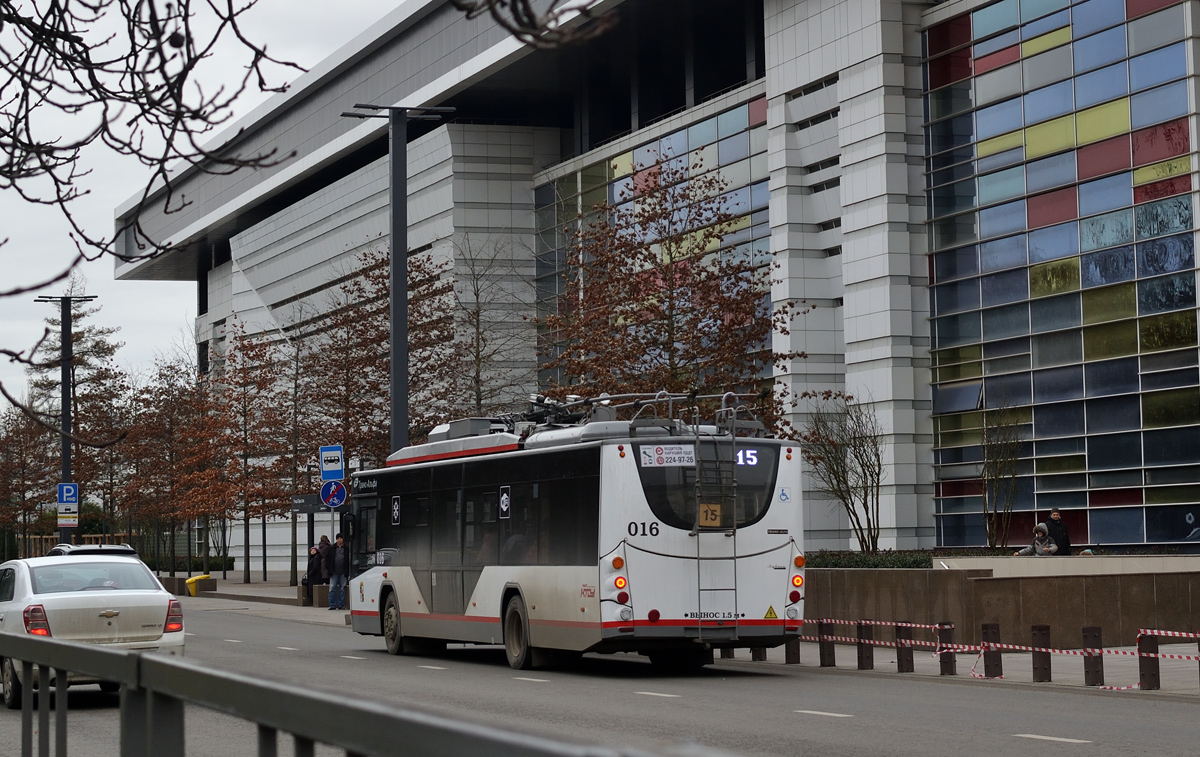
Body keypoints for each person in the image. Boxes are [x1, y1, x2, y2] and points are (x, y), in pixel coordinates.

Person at [324, 532, 350, 610]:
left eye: (341, 538)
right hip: (334, 572)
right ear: (336, 539)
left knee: (342, 588)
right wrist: (329, 568)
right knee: (332, 588)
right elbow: (327, 559)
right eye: (338, 538)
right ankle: (332, 604)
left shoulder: (346, 548)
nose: (339, 540)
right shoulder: (331, 548)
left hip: (343, 572)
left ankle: (341, 605)